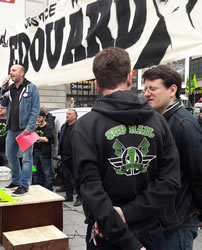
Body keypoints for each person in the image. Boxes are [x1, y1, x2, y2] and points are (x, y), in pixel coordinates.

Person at [72, 47, 181, 250]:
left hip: (105, 231)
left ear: (96, 84)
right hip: (148, 230)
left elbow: (90, 188)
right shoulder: (158, 122)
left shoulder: (85, 127)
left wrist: (120, 217)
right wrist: (129, 217)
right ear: (129, 79)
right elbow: (170, 181)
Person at [142, 65, 202, 250]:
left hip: (177, 222)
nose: (146, 94)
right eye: (145, 89)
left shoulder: (183, 124)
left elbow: (198, 172)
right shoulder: (157, 120)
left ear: (172, 90)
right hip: (158, 220)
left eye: (153, 89)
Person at [0, 64, 40, 196]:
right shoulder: (10, 88)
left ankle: (24, 185)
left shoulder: (31, 87)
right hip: (11, 129)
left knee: (27, 158)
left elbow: (35, 109)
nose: (10, 73)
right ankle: (16, 181)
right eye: (10, 70)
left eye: (13, 70)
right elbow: (3, 104)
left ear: (21, 73)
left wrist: (30, 127)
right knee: (10, 155)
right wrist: (3, 89)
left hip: (25, 130)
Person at [58, 109, 81, 207]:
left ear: (75, 116)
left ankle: (79, 198)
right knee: (67, 177)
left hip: (74, 156)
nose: (67, 115)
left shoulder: (78, 127)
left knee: (77, 178)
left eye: (69, 114)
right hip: (64, 156)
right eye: (67, 114)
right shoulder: (64, 126)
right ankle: (69, 196)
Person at [32, 110, 54, 191]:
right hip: (34, 153)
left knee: (47, 172)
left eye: (40, 117)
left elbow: (47, 139)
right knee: (34, 170)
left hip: (44, 153)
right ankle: (37, 187)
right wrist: (34, 129)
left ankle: (48, 188)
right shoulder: (35, 127)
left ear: (44, 118)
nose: (38, 119)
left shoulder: (48, 127)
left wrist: (37, 137)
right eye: (37, 117)